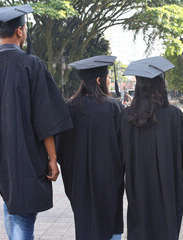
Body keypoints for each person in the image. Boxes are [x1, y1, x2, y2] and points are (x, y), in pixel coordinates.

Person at [0, 5, 73, 240]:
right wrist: (53, 158)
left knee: (11, 202)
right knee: (22, 211)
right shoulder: (31, 65)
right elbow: (46, 118)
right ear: (20, 31)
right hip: (26, 154)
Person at [120, 56, 183, 240]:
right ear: (161, 85)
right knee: (167, 228)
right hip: (169, 188)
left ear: (137, 87)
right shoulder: (174, 116)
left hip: (138, 187)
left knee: (140, 229)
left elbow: (119, 156)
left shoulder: (126, 117)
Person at [57, 55, 124, 240]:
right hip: (109, 179)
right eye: (108, 77)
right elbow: (123, 147)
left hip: (79, 181)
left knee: (86, 224)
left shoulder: (69, 107)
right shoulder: (114, 107)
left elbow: (61, 148)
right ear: (99, 80)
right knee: (111, 225)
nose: (109, 81)